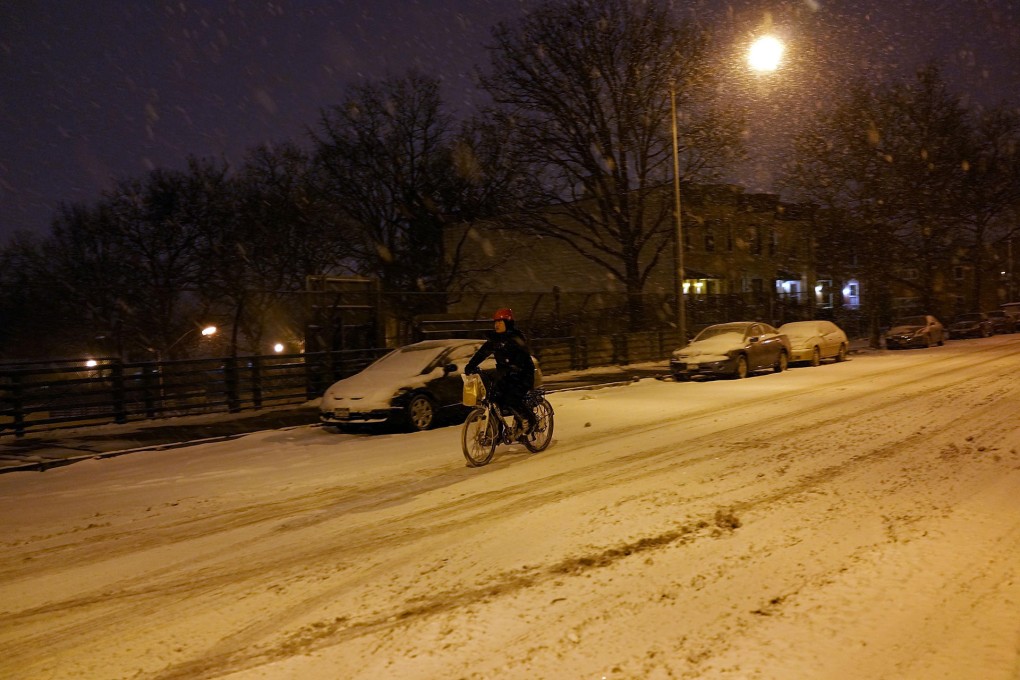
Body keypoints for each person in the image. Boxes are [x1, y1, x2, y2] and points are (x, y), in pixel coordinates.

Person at [464, 308, 537, 435]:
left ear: (507, 323)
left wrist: (515, 367)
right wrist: (471, 365)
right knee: (493, 398)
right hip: (506, 375)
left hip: (523, 375)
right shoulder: (495, 340)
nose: (496, 325)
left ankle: (529, 420)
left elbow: (523, 356)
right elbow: (482, 353)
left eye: (500, 322)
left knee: (511, 398)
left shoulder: (516, 339)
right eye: (495, 322)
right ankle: (495, 433)